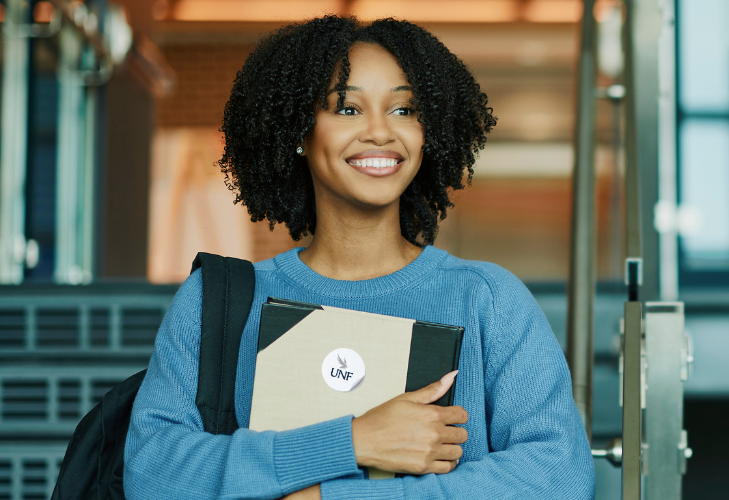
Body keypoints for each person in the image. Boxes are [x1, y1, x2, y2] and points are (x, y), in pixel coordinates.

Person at [123, 16, 594, 499]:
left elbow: (559, 476)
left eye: (404, 109)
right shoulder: (218, 301)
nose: (380, 132)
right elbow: (153, 473)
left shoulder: (487, 299)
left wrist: (329, 497)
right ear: (299, 132)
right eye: (347, 109)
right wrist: (353, 441)